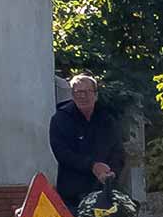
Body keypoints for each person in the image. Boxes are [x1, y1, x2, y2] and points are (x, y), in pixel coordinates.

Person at [50, 72, 126, 208]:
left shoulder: (106, 119)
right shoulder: (61, 119)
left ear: (95, 95)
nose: (82, 96)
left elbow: (117, 150)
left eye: (87, 91)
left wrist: (112, 171)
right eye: (78, 92)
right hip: (73, 194)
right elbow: (63, 154)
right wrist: (92, 166)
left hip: (104, 190)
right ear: (72, 95)